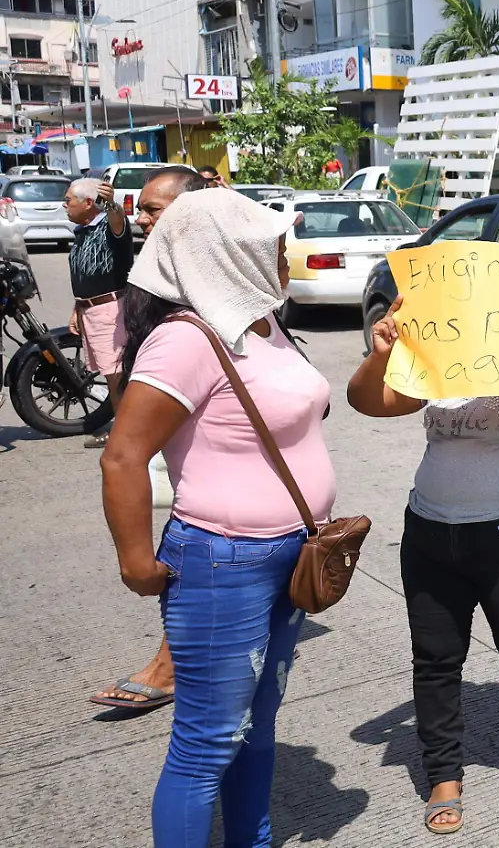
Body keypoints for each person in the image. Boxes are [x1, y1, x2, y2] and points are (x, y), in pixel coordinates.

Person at [99, 188, 331, 846]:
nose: (285, 259)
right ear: (226, 257)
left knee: (257, 728)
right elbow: (123, 456)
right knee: (207, 745)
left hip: (290, 554)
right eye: (273, 249)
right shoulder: (186, 340)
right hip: (222, 562)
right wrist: (136, 561)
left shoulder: (261, 320)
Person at [348, 296, 499, 833]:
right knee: (435, 659)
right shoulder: (433, 351)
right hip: (428, 529)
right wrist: (381, 354)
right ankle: (443, 773)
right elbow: (370, 403)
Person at [88, 166, 209, 715]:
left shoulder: (219, 283)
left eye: (152, 209)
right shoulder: (156, 270)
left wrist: (136, 561)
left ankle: (171, 664)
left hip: (218, 450)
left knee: (197, 541)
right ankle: (175, 659)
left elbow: (121, 456)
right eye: (139, 208)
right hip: (177, 428)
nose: (141, 219)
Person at [65, 177, 133, 448]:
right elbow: (85, 275)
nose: (64, 205)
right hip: (90, 310)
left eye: (68, 200)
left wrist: (113, 204)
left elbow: (118, 219)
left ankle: (124, 434)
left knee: (116, 375)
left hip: (110, 310)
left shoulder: (109, 225)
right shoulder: (83, 231)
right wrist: (77, 309)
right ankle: (126, 428)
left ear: (89, 203)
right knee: (111, 375)